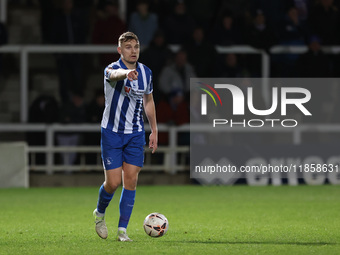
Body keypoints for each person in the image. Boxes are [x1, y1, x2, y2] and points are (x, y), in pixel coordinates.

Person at [93, 32, 158, 242]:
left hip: (135, 134)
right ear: (120, 50)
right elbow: (113, 76)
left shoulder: (147, 72)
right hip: (111, 132)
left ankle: (122, 230)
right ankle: (99, 213)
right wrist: (125, 75)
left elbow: (149, 101)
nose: (133, 51)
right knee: (112, 183)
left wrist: (154, 130)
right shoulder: (111, 68)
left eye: (136, 46)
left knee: (130, 181)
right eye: (128, 47)